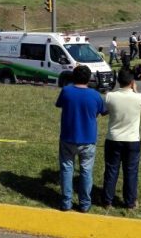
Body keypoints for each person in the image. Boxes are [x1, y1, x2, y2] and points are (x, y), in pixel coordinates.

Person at [54, 65, 106, 213]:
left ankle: (66, 202)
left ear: (73, 77)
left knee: (66, 169)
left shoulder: (66, 91)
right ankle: (84, 203)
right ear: (89, 79)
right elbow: (103, 111)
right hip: (88, 139)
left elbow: (59, 104)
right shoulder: (95, 95)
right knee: (86, 171)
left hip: (68, 137)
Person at [102, 69, 141, 209]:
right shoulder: (140, 98)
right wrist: (135, 91)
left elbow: (104, 111)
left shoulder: (110, 96)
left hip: (113, 138)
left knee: (111, 170)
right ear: (132, 82)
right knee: (131, 172)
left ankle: (107, 201)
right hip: (132, 140)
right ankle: (130, 202)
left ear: (118, 81)